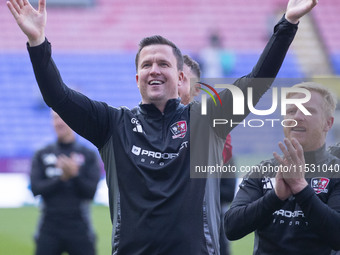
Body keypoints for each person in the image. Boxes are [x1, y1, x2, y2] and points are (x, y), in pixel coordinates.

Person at [7, 0, 317, 254]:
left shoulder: (205, 120)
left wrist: (287, 24)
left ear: (182, 78)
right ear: (137, 79)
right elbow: (57, 96)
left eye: (164, 64)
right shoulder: (113, 123)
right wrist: (37, 42)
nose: (154, 70)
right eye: (146, 65)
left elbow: (255, 83)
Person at [225, 82, 340, 255]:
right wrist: (275, 197)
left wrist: (301, 189)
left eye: (308, 110)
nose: (298, 116)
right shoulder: (263, 171)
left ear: (328, 123)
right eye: (291, 111)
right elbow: (231, 228)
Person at [179, 54, 235, 255]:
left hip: (206, 233)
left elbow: (228, 189)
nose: (175, 85)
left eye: (183, 79)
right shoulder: (143, 129)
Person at [30, 110, 101, 255]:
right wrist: (61, 178)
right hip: (49, 226)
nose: (58, 123)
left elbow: (90, 193)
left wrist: (74, 175)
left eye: (62, 118)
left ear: (72, 120)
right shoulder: (42, 153)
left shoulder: (88, 155)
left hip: (79, 226)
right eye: (55, 118)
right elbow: (36, 189)